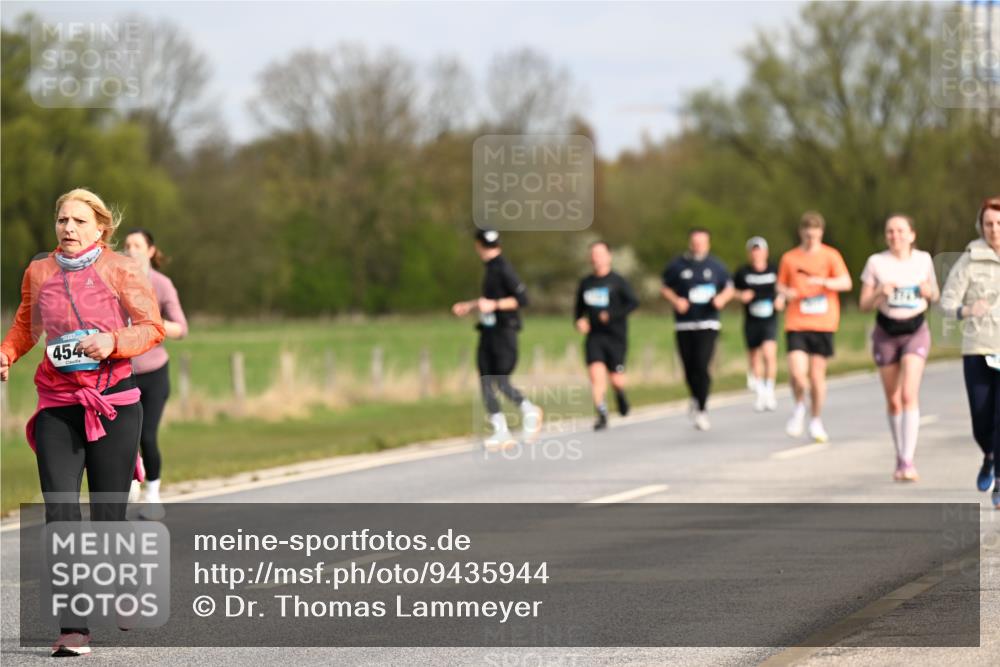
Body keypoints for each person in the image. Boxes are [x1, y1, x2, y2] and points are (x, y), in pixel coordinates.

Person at [0, 188, 164, 657]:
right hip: (57, 404)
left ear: (100, 228)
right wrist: (8, 352)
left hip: (113, 402)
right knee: (61, 513)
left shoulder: (120, 269)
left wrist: (113, 341)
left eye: (78, 221)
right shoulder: (40, 271)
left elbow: (151, 327)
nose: (67, 229)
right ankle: (74, 628)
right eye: (61, 221)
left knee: (108, 515)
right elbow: (26, 327)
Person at [859, 215, 939, 481]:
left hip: (915, 331)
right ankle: (899, 452)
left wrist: (928, 292)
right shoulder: (876, 262)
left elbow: (935, 295)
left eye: (900, 231)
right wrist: (881, 291)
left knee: (908, 394)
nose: (895, 235)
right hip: (886, 333)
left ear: (912, 234)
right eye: (890, 231)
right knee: (893, 399)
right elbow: (864, 305)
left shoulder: (923, 259)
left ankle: (908, 460)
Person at [451, 229, 542, 447]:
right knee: (485, 379)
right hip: (488, 331)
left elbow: (522, 299)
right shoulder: (490, 269)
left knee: (500, 379)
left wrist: (495, 305)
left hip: (504, 331)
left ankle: (529, 410)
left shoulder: (503, 268)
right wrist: (470, 306)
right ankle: (500, 430)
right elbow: (488, 300)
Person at [123, 229, 188, 518]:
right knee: (124, 437)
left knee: (146, 435)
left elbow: (180, 328)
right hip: (122, 374)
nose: (131, 249)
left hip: (154, 374)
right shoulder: (113, 283)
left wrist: (152, 324)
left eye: (137, 245)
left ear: (150, 251)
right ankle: (128, 486)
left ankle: (152, 495)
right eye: (126, 245)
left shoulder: (161, 285)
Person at [940, 196, 1000, 508]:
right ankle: (989, 456)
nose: (994, 229)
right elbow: (946, 303)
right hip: (978, 348)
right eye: (989, 224)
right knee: (981, 420)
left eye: (999, 224)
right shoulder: (970, 259)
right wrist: (966, 309)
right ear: (981, 226)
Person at [777, 212, 852, 443]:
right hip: (797, 322)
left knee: (817, 377)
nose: (810, 238)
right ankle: (800, 407)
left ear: (821, 233)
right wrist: (784, 294)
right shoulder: (790, 258)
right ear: (801, 233)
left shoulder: (831, 256)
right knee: (798, 375)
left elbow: (846, 282)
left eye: (815, 234)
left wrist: (824, 282)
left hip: (823, 323)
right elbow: (780, 285)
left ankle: (816, 420)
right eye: (807, 234)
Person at [660, 228, 735, 431]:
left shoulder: (716, 266)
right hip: (684, 324)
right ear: (689, 243)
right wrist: (676, 301)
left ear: (708, 244)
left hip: (708, 323)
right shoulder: (677, 265)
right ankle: (695, 396)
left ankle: (702, 409)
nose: (698, 246)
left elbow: (729, 287)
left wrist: (722, 299)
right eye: (695, 242)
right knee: (689, 368)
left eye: (702, 242)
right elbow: (664, 287)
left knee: (702, 365)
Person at [574, 241, 640, 430]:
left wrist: (611, 315)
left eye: (600, 254)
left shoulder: (618, 281)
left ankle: (620, 395)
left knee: (617, 379)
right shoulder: (586, 283)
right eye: (593, 254)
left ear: (608, 256)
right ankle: (601, 413)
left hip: (616, 336)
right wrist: (580, 321)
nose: (596, 258)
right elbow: (578, 311)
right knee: (596, 377)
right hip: (595, 337)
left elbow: (633, 303)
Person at [733, 236, 784, 412]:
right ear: (749, 253)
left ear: (766, 252)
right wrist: (741, 296)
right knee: (754, 357)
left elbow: (784, 288)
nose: (757, 254)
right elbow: (732, 291)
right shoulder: (743, 272)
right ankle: (761, 393)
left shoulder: (774, 270)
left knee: (769, 354)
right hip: (751, 319)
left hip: (770, 318)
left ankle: (769, 390)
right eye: (753, 251)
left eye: (759, 251)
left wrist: (781, 299)